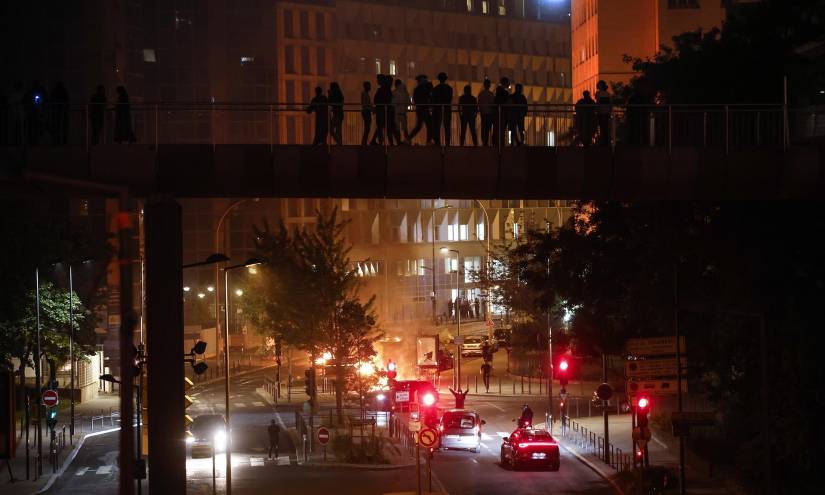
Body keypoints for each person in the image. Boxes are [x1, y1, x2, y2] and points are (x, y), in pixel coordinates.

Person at [408, 74, 433, 144]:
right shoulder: (425, 88)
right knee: (429, 125)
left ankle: (408, 138)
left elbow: (415, 100)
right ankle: (428, 141)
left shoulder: (417, 89)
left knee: (419, 126)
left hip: (420, 109)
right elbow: (429, 96)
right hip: (424, 109)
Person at [430, 72, 453, 146]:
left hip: (438, 109)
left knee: (437, 126)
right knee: (447, 126)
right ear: (445, 79)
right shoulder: (449, 88)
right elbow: (449, 99)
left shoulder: (436, 89)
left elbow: (433, 100)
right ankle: (447, 142)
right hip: (446, 108)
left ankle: (438, 142)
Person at [371, 74, 393, 145]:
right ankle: (379, 141)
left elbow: (377, 99)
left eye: (378, 80)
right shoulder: (386, 89)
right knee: (383, 126)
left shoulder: (382, 89)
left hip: (382, 110)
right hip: (384, 110)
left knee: (381, 126)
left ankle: (379, 141)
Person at [50, 81, 69, 145]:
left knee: (58, 126)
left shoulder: (55, 91)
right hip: (59, 111)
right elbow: (67, 100)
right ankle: (61, 141)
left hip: (58, 111)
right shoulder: (63, 91)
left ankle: (59, 141)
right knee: (59, 127)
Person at [493, 77, 510, 147]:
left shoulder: (499, 90)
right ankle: (499, 144)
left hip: (500, 112)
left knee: (498, 129)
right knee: (501, 129)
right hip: (501, 112)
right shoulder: (502, 91)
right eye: (507, 82)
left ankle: (497, 143)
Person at [477, 79, 495, 146]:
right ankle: (486, 142)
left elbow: (479, 103)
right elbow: (492, 104)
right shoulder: (490, 94)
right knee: (487, 128)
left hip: (483, 113)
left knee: (484, 128)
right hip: (489, 113)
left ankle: (484, 142)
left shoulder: (481, 94)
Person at [392, 79, 411, 144]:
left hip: (396, 113)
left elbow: (392, 103)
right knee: (405, 129)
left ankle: (399, 142)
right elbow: (409, 102)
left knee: (397, 129)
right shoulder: (405, 92)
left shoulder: (394, 92)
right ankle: (408, 142)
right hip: (403, 112)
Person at [595, 80, 612, 146]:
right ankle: (606, 141)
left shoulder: (598, 93)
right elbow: (610, 104)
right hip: (606, 112)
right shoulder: (608, 94)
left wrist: (596, 110)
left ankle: (603, 141)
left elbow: (598, 103)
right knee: (606, 127)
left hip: (601, 112)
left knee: (602, 127)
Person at [360, 81, 373, 146]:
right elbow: (366, 104)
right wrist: (372, 108)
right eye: (369, 85)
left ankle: (364, 142)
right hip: (366, 112)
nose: (370, 87)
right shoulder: (365, 94)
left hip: (366, 111)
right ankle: (364, 142)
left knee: (367, 128)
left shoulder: (365, 94)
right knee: (367, 128)